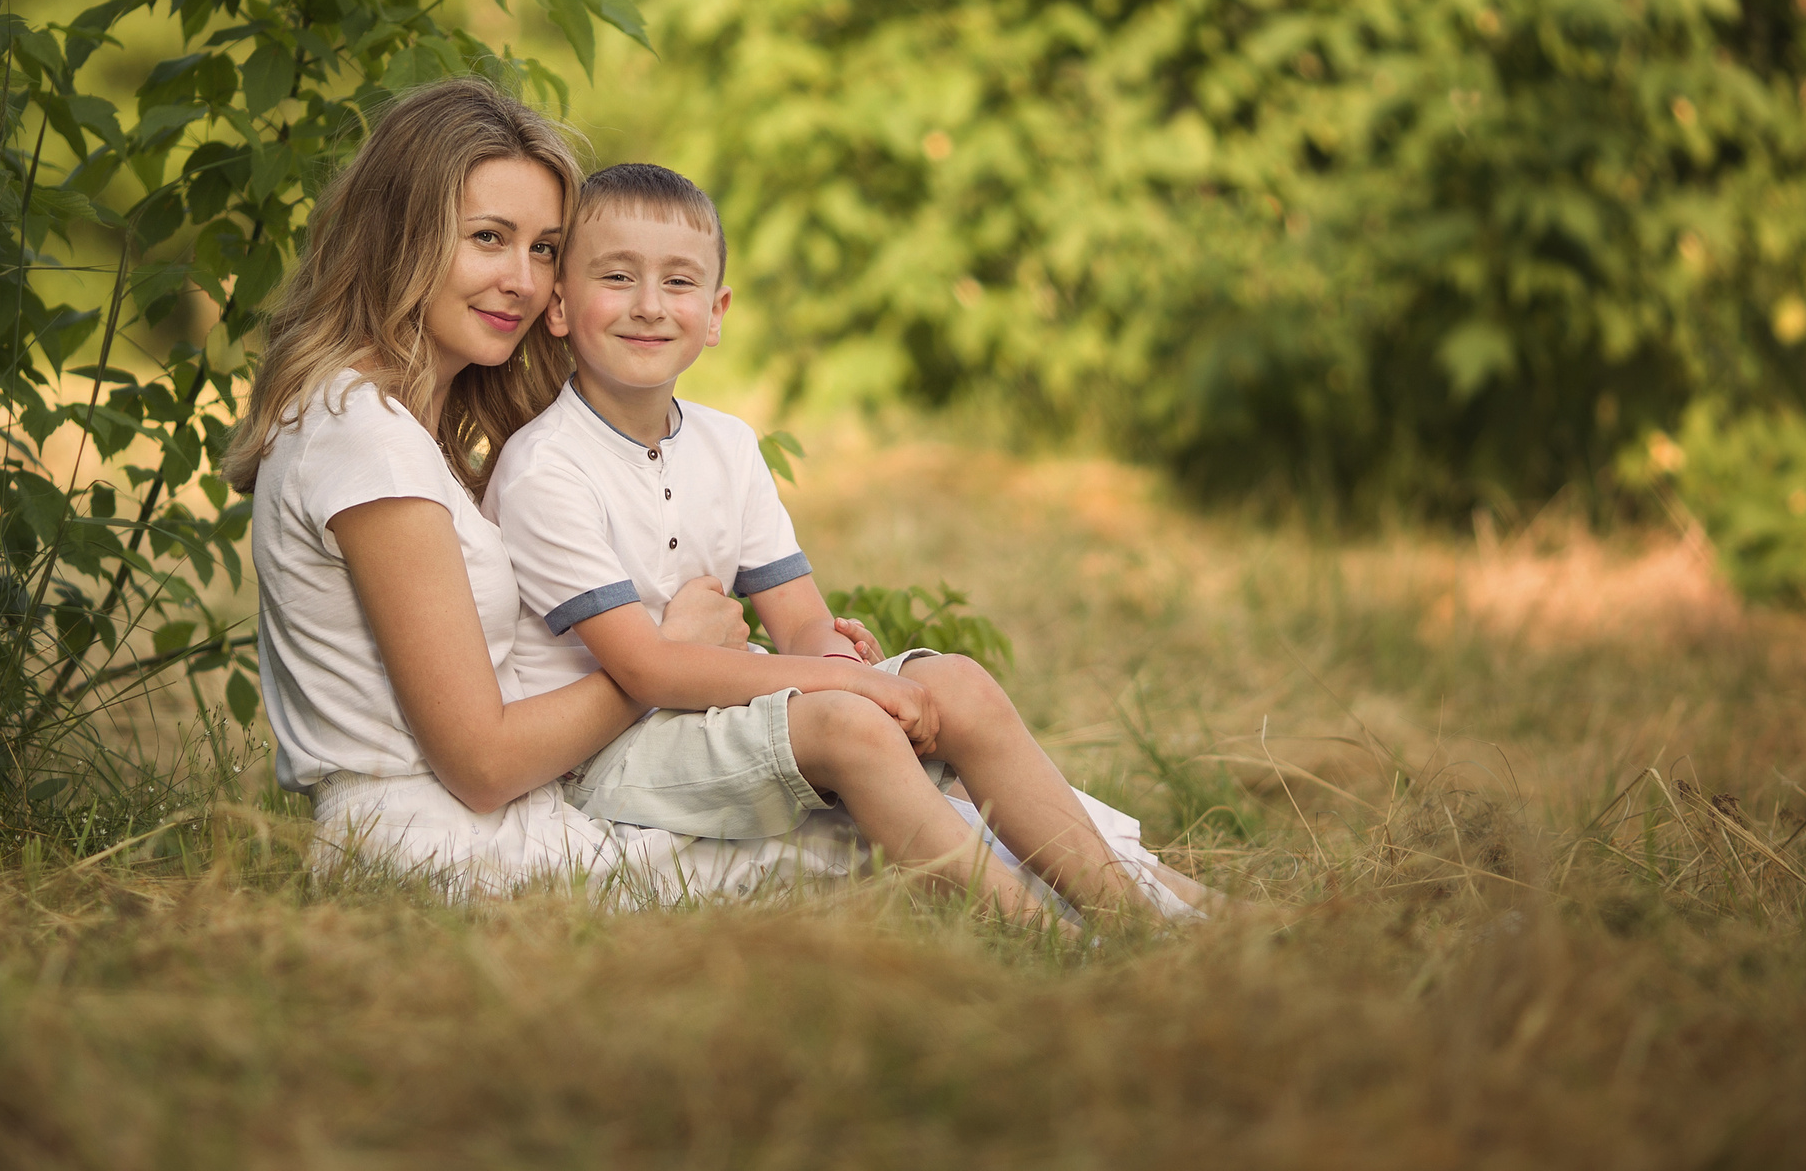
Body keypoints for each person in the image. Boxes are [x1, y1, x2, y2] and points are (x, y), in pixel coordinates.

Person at [488, 162, 1208, 920]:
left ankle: (1129, 911)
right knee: (848, 720)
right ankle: (1037, 935)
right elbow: (650, 670)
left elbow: (798, 616)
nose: (648, 306)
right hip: (614, 757)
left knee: (955, 681)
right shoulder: (548, 469)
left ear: (716, 311)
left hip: (716, 720)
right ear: (561, 306)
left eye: (678, 282)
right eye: (617, 277)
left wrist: (830, 654)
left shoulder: (728, 445)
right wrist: (852, 685)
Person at [223, 77, 863, 899]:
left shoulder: (395, 424)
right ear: (398, 238)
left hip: (502, 821)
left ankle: (1078, 889)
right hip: (435, 846)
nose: (524, 282)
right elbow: (483, 763)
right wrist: (671, 653)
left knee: (868, 803)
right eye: (488, 237)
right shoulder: (364, 439)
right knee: (857, 844)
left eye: (545, 249)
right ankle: (1077, 914)